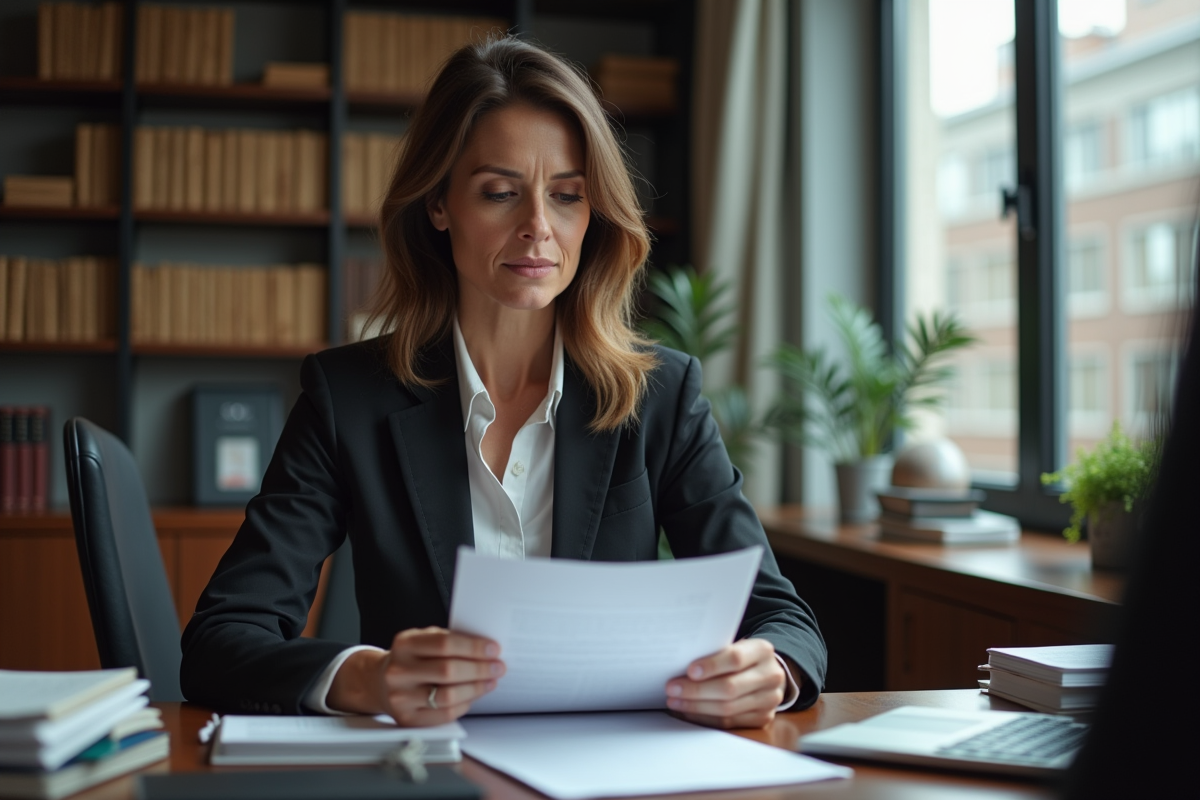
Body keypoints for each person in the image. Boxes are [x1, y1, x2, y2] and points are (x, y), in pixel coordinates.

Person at [180, 36, 826, 730]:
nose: (538, 229)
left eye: (567, 196)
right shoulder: (349, 399)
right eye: (500, 193)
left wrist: (772, 671)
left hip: (611, 772)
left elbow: (783, 620)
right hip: (433, 773)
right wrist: (366, 677)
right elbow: (220, 642)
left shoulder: (661, 395)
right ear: (438, 204)